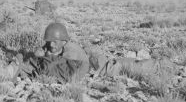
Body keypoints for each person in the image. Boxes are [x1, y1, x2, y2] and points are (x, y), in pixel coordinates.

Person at [14, 22, 155, 83]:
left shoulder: (72, 51)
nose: (51, 44)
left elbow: (63, 70)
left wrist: (41, 58)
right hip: (92, 63)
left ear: (64, 40)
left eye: (55, 41)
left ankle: (161, 66)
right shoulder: (51, 46)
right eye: (49, 41)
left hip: (99, 67)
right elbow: (41, 54)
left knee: (131, 66)